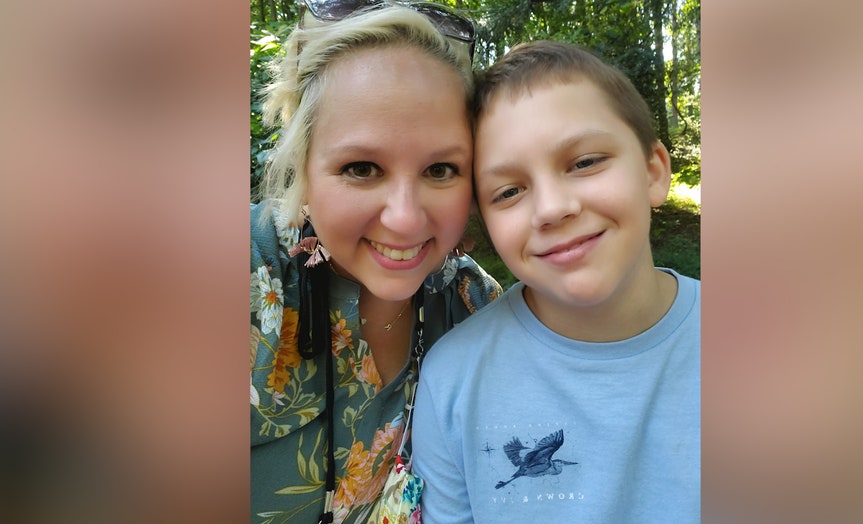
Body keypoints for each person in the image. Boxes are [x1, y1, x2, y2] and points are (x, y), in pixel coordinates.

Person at [411, 40, 700, 523]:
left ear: (653, 173)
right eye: (509, 191)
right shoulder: (454, 383)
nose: (551, 208)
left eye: (585, 162)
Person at [249, 2, 501, 523]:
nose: (405, 220)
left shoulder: (472, 306)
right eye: (362, 167)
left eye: (440, 169)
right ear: (302, 165)